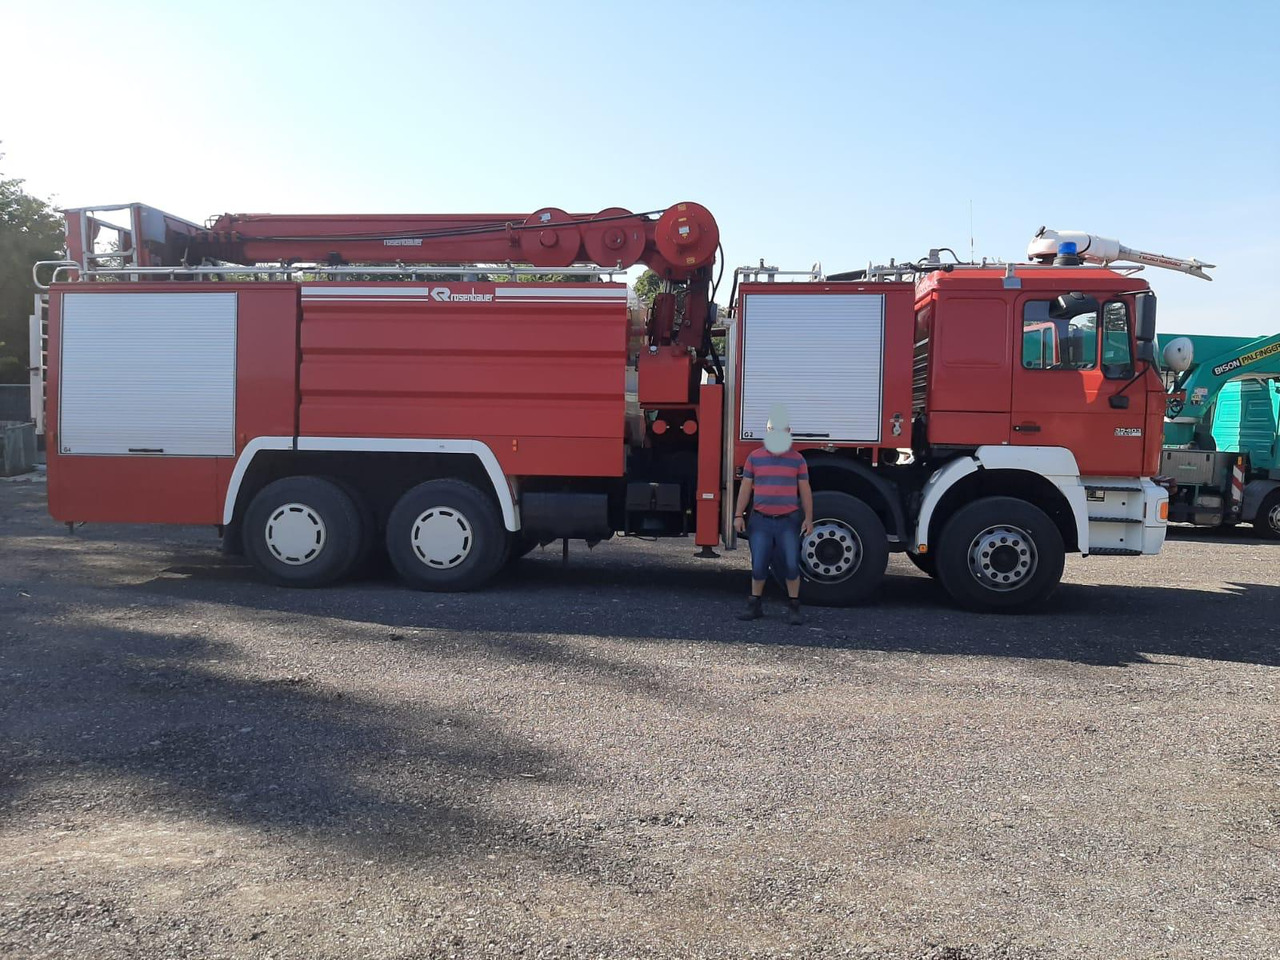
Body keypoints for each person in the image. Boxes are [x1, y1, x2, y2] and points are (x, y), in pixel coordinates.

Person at [733, 408, 814, 624]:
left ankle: (794, 607)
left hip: (788, 521)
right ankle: (754, 605)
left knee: (791, 564)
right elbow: (745, 489)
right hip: (760, 521)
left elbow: (805, 491)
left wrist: (808, 518)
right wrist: (738, 515)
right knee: (759, 565)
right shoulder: (755, 458)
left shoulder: (798, 460)